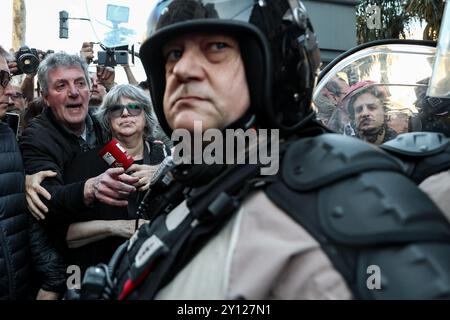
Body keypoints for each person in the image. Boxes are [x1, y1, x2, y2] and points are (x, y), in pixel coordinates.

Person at [78, 0, 450, 300]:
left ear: (274, 68)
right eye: (173, 54)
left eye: (217, 48)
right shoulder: (190, 179)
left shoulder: (335, 198)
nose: (183, 69)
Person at [19, 52, 139, 242]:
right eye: (61, 85)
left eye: (80, 83)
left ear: (89, 89)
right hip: (66, 259)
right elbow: (47, 200)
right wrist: (91, 187)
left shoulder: (102, 124)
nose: (73, 92)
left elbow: (126, 165)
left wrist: (152, 162)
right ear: (46, 97)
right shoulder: (36, 138)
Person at [60, 84, 169, 273]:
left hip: (159, 269)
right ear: (107, 119)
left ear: (146, 116)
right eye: (116, 109)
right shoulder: (84, 163)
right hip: (105, 273)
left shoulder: (166, 159)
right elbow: (66, 236)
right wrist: (117, 227)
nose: (126, 114)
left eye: (134, 107)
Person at [1, 45, 65, 300]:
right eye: (0, 79)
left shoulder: (7, 137)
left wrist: (53, 280)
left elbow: (24, 220)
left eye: (7, 78)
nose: (7, 90)